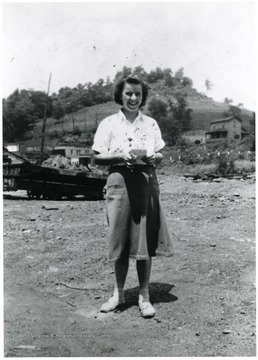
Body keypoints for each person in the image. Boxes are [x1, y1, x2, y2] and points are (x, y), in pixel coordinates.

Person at [92, 75, 173, 318]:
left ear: (143, 97)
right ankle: (118, 294)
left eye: (138, 94)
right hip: (118, 182)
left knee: (144, 240)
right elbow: (97, 156)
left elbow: (159, 154)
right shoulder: (108, 123)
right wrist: (119, 156)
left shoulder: (150, 124)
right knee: (120, 238)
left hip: (145, 182)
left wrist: (155, 158)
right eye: (128, 93)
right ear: (120, 95)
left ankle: (144, 295)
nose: (133, 98)